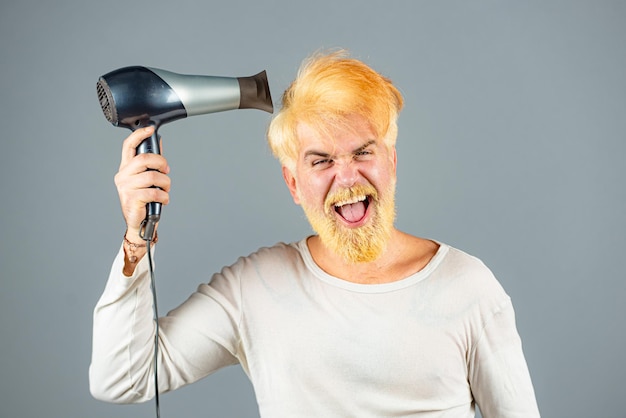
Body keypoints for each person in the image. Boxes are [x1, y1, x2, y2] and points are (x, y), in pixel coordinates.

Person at [90, 50, 540, 417]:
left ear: (393, 162)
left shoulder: (469, 287)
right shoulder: (256, 288)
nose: (347, 179)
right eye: (321, 160)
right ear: (293, 184)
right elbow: (121, 378)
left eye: (363, 152)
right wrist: (135, 243)